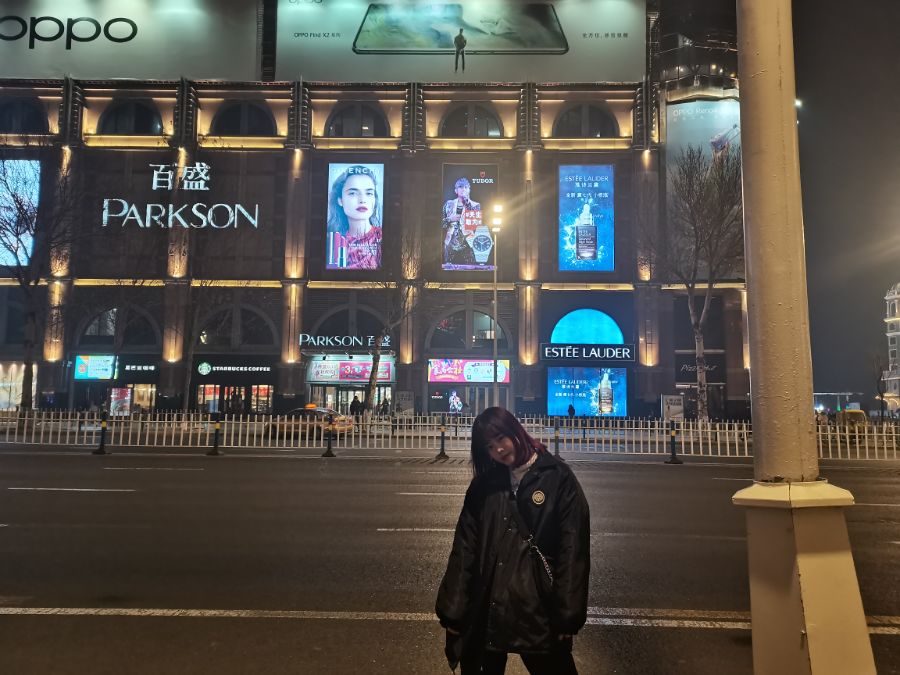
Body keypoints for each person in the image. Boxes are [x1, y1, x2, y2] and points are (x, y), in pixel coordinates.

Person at [436, 407, 590, 674]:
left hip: (537, 611)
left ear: (515, 431)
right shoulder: (484, 485)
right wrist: (453, 610)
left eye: (501, 438)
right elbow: (465, 548)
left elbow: (572, 550)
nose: (498, 449)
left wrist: (568, 615)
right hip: (487, 609)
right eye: (489, 446)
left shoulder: (557, 477)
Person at [327, 165, 382, 269]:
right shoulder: (331, 239)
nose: (362, 200)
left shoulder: (382, 237)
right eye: (353, 193)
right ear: (340, 200)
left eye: (369, 193)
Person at [443, 177, 481, 267]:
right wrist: (449, 219)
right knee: (447, 268)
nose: (463, 189)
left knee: (471, 269)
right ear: (456, 190)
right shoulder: (448, 204)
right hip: (450, 243)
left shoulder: (475, 205)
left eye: (466, 187)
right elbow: (440, 224)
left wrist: (467, 204)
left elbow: (475, 227)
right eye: (460, 186)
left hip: (468, 243)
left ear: (469, 190)